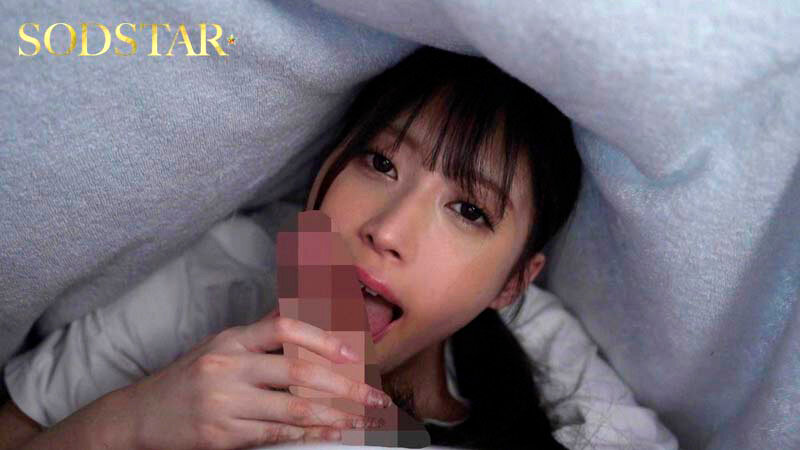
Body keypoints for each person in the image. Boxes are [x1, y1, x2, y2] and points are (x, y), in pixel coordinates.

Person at [0, 46, 585, 449]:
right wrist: (133, 422)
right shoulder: (209, 281)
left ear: (512, 283)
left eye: (469, 211)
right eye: (380, 162)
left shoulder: (557, 363)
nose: (387, 230)